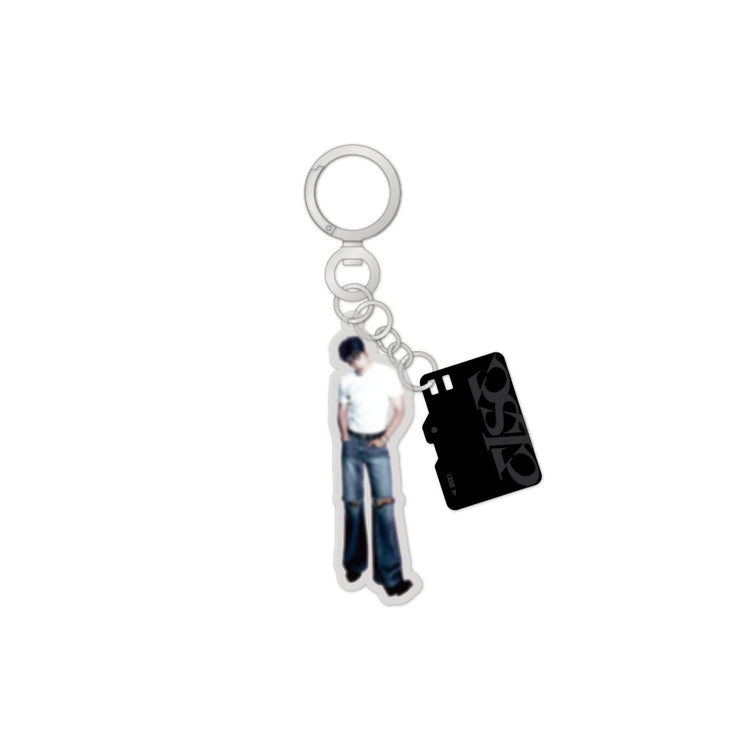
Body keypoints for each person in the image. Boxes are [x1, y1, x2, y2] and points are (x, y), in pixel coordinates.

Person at [337, 336, 413, 597]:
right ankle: (354, 564)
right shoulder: (346, 381)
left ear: (365, 352)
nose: (355, 364)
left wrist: (385, 438)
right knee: (352, 504)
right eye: (350, 362)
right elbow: (342, 411)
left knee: (384, 507)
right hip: (352, 445)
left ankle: (390, 578)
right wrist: (345, 438)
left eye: (357, 358)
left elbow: (400, 410)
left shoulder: (386, 375)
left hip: (377, 446)